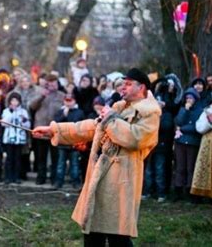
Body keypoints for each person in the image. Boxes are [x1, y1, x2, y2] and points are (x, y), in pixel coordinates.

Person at [33, 68, 161, 246]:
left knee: (118, 236)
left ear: (142, 88)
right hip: (100, 178)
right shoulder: (119, 108)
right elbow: (90, 127)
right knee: (93, 231)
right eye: (123, 84)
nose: (122, 88)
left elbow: (135, 138)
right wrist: (55, 130)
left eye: (128, 84)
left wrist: (110, 120)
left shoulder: (150, 113)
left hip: (122, 182)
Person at [29, 74, 65, 185]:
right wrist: (42, 96)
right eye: (50, 84)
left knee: (55, 157)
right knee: (41, 156)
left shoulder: (62, 95)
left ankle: (54, 178)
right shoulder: (39, 93)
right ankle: (41, 177)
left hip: (56, 130)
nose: (52, 86)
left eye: (54, 84)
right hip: (41, 129)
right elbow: (32, 106)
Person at [173, 88, 204, 202]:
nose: (189, 100)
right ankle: (178, 190)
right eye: (187, 98)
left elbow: (196, 127)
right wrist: (185, 110)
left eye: (191, 98)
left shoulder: (200, 111)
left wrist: (182, 129)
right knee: (180, 166)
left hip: (193, 142)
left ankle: (191, 190)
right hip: (180, 141)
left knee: (191, 167)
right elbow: (178, 122)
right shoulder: (183, 109)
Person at [54, 93, 86, 189]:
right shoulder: (60, 112)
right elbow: (55, 123)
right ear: (64, 101)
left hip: (74, 143)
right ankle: (59, 182)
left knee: (75, 164)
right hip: (62, 142)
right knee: (60, 164)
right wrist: (64, 115)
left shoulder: (79, 112)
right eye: (66, 101)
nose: (68, 103)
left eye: (70, 101)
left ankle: (75, 182)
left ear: (74, 101)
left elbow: (80, 125)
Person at [1, 92, 30, 184]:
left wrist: (23, 120)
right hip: (9, 139)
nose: (14, 102)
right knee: (9, 158)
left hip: (19, 139)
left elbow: (27, 125)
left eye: (16, 100)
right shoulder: (6, 111)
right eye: (12, 100)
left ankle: (16, 177)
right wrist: (11, 113)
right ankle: (7, 177)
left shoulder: (23, 112)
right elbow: (3, 123)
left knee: (18, 159)